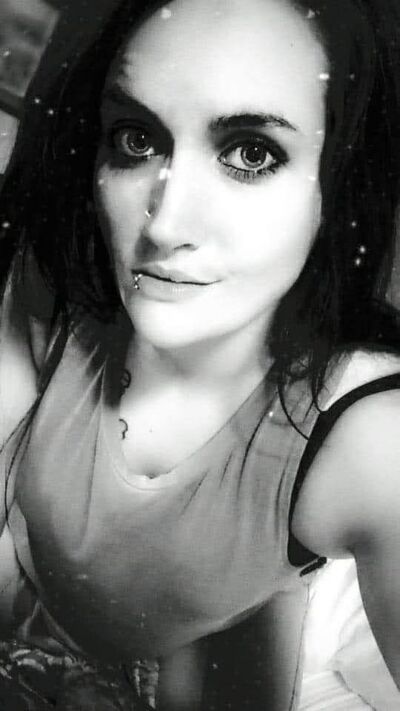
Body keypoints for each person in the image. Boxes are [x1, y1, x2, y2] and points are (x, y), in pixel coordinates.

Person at [0, 0, 400, 708]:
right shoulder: (53, 289)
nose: (165, 224)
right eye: (135, 139)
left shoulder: (372, 440)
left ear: (341, 184)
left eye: (251, 153)